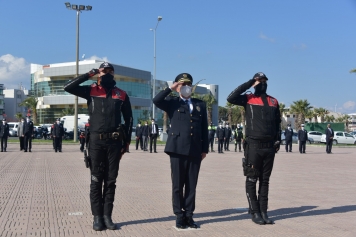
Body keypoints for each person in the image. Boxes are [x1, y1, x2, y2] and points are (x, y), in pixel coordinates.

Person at [64, 62, 133, 231]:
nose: (107, 74)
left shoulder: (121, 94)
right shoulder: (91, 91)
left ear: (114, 74)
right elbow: (68, 87)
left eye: (110, 71)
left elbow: (129, 119)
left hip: (114, 143)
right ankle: (97, 217)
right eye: (104, 71)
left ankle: (107, 216)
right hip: (95, 142)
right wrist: (91, 73)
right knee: (96, 180)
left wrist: (126, 143)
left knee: (111, 180)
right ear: (98, 74)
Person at [153, 73, 209, 229]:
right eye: (182, 84)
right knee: (177, 185)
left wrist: (204, 149)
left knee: (192, 185)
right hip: (177, 149)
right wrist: (171, 88)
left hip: (195, 149)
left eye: (188, 84)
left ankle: (189, 215)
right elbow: (156, 100)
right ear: (178, 86)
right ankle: (179, 215)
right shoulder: (172, 102)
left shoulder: (200, 104)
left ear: (191, 87)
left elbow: (204, 128)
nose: (185, 87)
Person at [227, 72, 281, 225]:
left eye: (264, 81)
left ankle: (264, 211)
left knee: (265, 181)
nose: (261, 83)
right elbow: (231, 97)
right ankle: (254, 211)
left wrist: (278, 140)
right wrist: (251, 83)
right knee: (252, 178)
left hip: (269, 147)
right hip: (253, 146)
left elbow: (277, 123)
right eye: (259, 81)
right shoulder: (248, 99)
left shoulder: (273, 101)